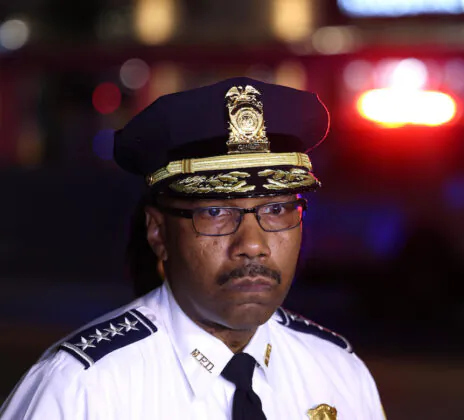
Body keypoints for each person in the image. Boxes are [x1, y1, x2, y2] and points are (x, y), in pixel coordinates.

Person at [0, 77, 386, 419]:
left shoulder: (338, 373)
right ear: (158, 232)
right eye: (215, 211)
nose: (252, 244)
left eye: (276, 208)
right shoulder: (83, 389)